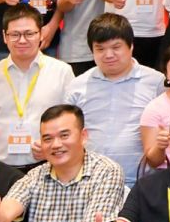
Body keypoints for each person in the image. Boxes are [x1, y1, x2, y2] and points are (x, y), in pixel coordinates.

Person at [0, 5, 75, 168]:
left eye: (29, 34)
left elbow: (73, 121)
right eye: (15, 34)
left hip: (46, 165)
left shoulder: (62, 72)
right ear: (4, 36)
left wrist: (54, 145)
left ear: (41, 34)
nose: (22, 40)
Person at [64, 13, 164, 181]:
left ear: (131, 46)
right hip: (91, 181)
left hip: (142, 181)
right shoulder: (77, 86)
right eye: (100, 49)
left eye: (116, 47)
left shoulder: (156, 82)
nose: (108, 55)